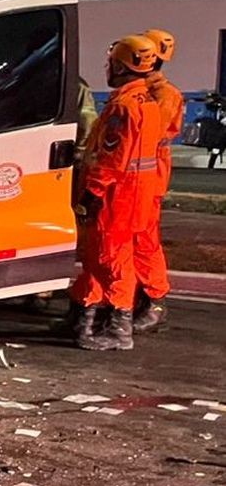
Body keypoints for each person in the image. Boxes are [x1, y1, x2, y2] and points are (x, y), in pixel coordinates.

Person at [68, 35, 167, 350]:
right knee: (103, 260)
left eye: (110, 63)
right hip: (134, 197)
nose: (106, 69)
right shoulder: (145, 102)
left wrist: (91, 194)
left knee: (112, 261)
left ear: (123, 67)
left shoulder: (123, 107)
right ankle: (87, 319)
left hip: (116, 198)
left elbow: (111, 158)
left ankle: (119, 329)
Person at [129, 28, 184, 331]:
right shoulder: (141, 92)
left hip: (147, 176)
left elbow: (147, 135)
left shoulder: (164, 95)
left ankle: (155, 299)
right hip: (137, 175)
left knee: (145, 239)